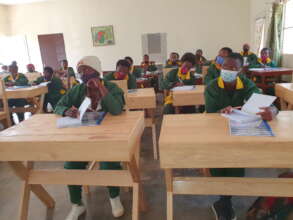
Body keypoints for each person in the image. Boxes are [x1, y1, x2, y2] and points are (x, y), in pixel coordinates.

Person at [205, 53, 278, 220]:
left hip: (240, 131)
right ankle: (224, 200)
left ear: (240, 71)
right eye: (225, 67)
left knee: (236, 163)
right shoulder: (212, 86)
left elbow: (269, 105)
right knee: (218, 163)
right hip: (217, 132)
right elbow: (210, 115)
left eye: (233, 68)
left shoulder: (246, 84)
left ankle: (226, 199)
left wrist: (272, 111)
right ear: (220, 67)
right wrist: (220, 112)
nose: (228, 71)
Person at [54, 56, 125, 220]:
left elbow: (116, 110)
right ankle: (77, 204)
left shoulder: (111, 87)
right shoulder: (77, 90)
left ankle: (114, 198)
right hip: (83, 138)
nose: (82, 74)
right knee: (71, 164)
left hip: (108, 136)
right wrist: (66, 111)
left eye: (86, 70)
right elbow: (58, 105)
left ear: (95, 70)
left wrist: (101, 88)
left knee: (109, 162)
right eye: (80, 71)